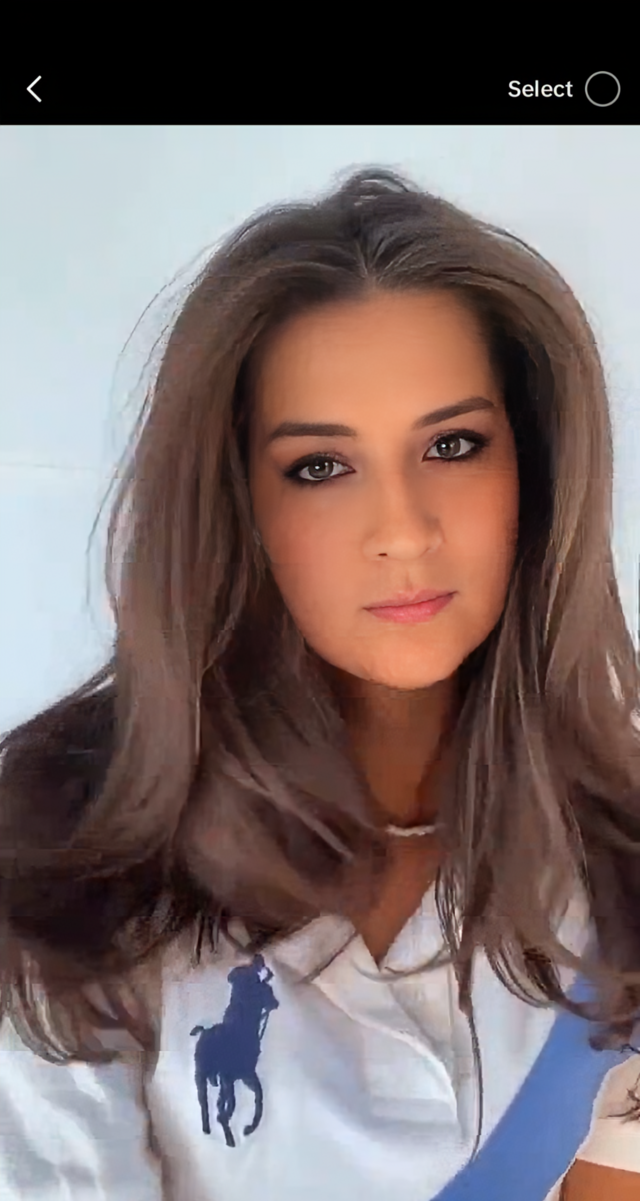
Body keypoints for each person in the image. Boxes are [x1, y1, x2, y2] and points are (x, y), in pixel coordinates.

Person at [1, 167, 640, 1200]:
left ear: (537, 467)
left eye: (453, 445)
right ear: (235, 504)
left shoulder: (615, 852)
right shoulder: (60, 861)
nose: (403, 531)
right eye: (319, 466)